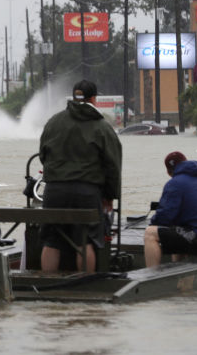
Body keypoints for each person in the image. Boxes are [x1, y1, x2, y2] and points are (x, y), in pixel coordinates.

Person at [38, 80, 122, 273]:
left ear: (74, 96)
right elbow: (113, 166)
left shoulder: (54, 122)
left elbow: (43, 155)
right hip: (86, 192)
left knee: (51, 240)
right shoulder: (102, 127)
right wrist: (109, 196)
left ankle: (46, 280)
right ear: (94, 99)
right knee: (86, 240)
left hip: (54, 191)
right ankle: (84, 283)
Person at [143, 152, 197, 268]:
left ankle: (150, 278)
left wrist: (152, 223)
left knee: (150, 233)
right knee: (178, 229)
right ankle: (180, 278)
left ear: (168, 171)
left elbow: (163, 217)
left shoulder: (174, 183)